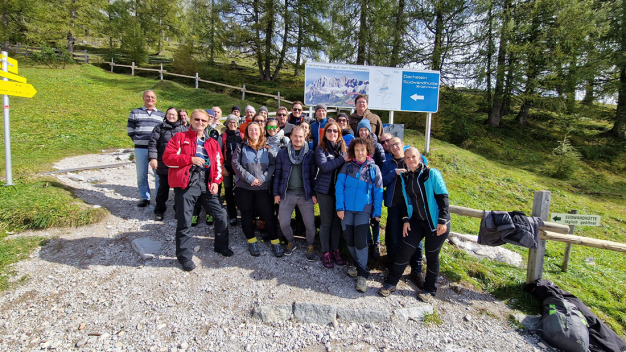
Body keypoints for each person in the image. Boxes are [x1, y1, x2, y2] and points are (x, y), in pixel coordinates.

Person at [162, 109, 233, 272]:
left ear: (207, 122)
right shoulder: (180, 138)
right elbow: (167, 158)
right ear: (191, 120)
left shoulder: (212, 142)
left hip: (207, 183)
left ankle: (221, 246)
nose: (200, 123)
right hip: (187, 183)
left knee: (221, 214)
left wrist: (216, 181)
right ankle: (184, 257)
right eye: (197, 120)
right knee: (185, 220)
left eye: (203, 121)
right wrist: (190, 159)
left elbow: (218, 163)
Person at [378, 147, 450, 302]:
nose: (410, 160)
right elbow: (406, 200)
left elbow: (443, 198)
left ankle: (429, 289)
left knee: (432, 256)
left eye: (413, 157)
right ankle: (391, 282)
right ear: (404, 159)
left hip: (435, 222)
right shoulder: (406, 177)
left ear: (420, 158)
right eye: (407, 157)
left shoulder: (432, 174)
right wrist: (405, 220)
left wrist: (442, 221)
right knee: (405, 250)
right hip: (417, 221)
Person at [335, 138, 383, 293]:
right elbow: (339, 187)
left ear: (368, 150)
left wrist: (377, 211)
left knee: (360, 241)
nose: (360, 152)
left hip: (364, 209)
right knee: (349, 238)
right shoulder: (347, 166)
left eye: (363, 150)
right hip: (347, 209)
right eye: (357, 150)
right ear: (353, 151)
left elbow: (378, 191)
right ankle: (358, 265)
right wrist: (340, 207)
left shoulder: (373, 168)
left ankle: (362, 275)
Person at [232, 122, 284, 257]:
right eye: (250, 130)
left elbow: (272, 166)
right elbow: (235, 164)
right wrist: (249, 178)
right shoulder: (241, 147)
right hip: (244, 187)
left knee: (268, 215)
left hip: (263, 187)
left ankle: (275, 241)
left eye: (256, 129)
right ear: (247, 132)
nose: (253, 132)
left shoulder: (267, 149)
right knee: (247, 215)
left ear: (261, 132)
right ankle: (252, 241)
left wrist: (262, 178)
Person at [381, 137, 423, 286]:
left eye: (396, 144)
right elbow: (382, 181)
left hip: (413, 204)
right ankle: (394, 266)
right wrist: (394, 173)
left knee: (415, 236)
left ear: (403, 145)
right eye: (391, 146)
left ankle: (416, 269)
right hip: (394, 203)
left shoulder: (412, 159)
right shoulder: (387, 163)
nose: (393, 147)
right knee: (394, 236)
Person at [273, 126, 317, 259]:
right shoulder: (282, 153)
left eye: (301, 136)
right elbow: (278, 174)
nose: (298, 139)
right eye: (295, 136)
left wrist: (314, 193)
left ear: (305, 138)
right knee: (283, 222)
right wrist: (276, 193)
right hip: (287, 193)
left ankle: (310, 245)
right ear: (290, 137)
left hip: (305, 194)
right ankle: (291, 241)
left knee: (309, 223)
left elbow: (314, 176)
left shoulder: (310, 154)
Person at [315, 121, 349, 268]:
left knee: (336, 223)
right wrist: (342, 159)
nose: (332, 133)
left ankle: (335, 250)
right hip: (325, 191)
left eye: (335, 131)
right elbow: (324, 167)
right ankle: (325, 252)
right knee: (326, 222)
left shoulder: (343, 149)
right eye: (330, 131)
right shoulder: (320, 149)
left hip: (339, 193)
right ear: (325, 133)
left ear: (339, 134)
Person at [127, 90, 165, 207]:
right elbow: (130, 130)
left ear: (156, 99)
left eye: (152, 97)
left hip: (156, 150)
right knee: (142, 174)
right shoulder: (135, 112)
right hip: (141, 148)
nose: (150, 99)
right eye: (147, 97)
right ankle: (145, 197)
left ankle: (158, 198)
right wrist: (138, 140)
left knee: (158, 174)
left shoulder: (161, 115)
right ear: (143, 98)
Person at [148, 107, 186, 221]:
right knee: (163, 188)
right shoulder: (159, 128)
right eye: (169, 114)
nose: (171, 116)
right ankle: (159, 210)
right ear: (166, 115)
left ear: (178, 116)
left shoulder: (183, 128)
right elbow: (152, 144)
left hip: (178, 164)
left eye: (174, 115)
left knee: (178, 189)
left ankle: (178, 210)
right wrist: (153, 158)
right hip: (164, 163)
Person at [356, 119, 386, 258]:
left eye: (365, 130)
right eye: (361, 130)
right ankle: (368, 241)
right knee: (365, 214)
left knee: (375, 216)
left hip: (374, 183)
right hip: (361, 185)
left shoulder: (377, 146)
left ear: (369, 131)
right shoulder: (356, 144)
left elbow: (382, 165)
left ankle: (377, 242)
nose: (363, 132)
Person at [221, 114, 243, 226]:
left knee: (240, 191)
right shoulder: (223, 136)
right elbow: (218, 154)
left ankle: (243, 214)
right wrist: (222, 167)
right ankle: (232, 215)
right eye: (230, 122)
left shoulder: (242, 136)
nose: (232, 124)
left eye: (234, 122)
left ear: (237, 124)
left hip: (239, 167)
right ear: (227, 124)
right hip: (227, 167)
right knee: (228, 191)